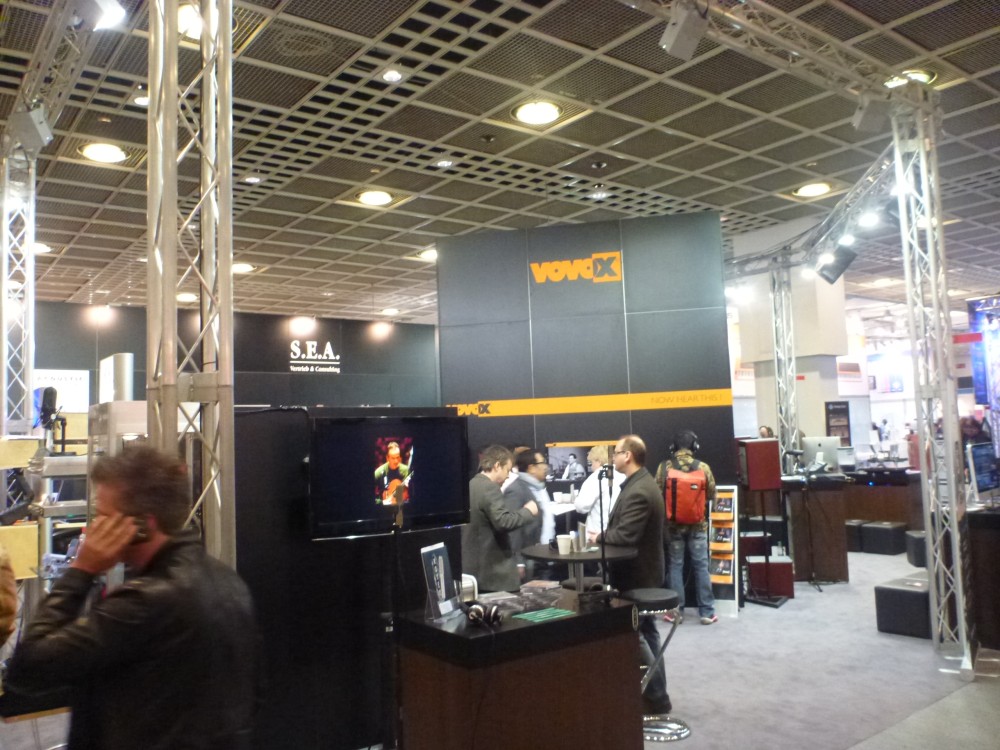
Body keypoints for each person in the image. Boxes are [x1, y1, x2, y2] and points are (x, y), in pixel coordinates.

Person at [6, 446, 259, 750]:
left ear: (142, 525)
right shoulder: (230, 583)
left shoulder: (144, 603)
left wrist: (82, 570)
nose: (93, 529)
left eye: (103, 517)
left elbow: (29, 668)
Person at [587, 435, 670, 717]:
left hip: (637, 575)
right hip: (643, 572)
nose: (613, 458)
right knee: (647, 632)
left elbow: (625, 535)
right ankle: (656, 696)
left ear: (628, 456)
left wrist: (599, 537)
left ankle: (657, 696)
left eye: (617, 452)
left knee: (636, 634)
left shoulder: (639, 490)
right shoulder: (639, 483)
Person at [656, 430, 717, 626]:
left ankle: (676, 613)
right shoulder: (703, 467)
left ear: (673, 447)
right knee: (701, 566)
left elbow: (657, 494)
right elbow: (711, 494)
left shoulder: (664, 467)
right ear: (694, 446)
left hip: (673, 526)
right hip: (698, 525)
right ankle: (707, 612)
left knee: (675, 566)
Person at [462, 445, 539, 592]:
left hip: (475, 572)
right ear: (497, 466)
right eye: (507, 470)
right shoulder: (489, 488)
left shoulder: (471, 485)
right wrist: (528, 511)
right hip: (494, 574)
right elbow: (503, 522)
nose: (508, 476)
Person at [503, 448, 551, 580]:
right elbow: (513, 527)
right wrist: (518, 561)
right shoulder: (516, 490)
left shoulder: (539, 487)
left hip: (541, 553)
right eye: (542, 463)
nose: (546, 467)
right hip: (528, 556)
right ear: (531, 468)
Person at [574, 445, 624, 538]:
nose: (591, 467)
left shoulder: (595, 478)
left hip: (597, 534)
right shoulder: (623, 474)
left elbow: (581, 507)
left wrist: (576, 499)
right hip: (618, 533)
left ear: (599, 461)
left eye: (592, 462)